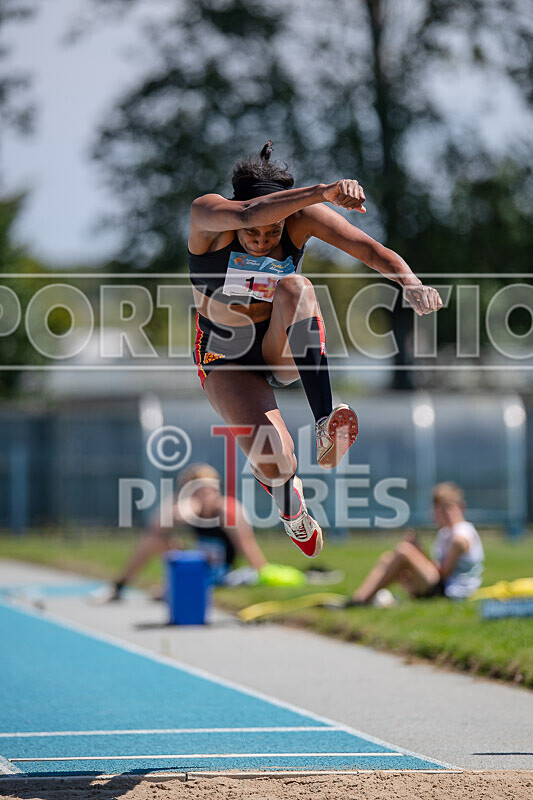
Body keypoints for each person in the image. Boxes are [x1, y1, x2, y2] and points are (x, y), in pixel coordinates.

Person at [189, 140, 442, 558]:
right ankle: (289, 504)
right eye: (252, 233)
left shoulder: (300, 218)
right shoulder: (209, 213)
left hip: (278, 344)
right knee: (277, 459)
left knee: (297, 287)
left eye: (274, 232)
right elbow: (250, 214)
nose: (262, 239)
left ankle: (325, 420)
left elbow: (370, 250)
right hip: (225, 357)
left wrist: (410, 283)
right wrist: (324, 190)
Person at [104, 463, 268, 601]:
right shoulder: (191, 509)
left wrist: (263, 572)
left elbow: (247, 546)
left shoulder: (227, 510)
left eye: (209, 489)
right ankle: (120, 586)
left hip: (221, 573)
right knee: (152, 540)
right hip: (196, 565)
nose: (206, 495)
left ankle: (173, 589)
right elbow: (155, 527)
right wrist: (179, 500)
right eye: (197, 490)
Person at [348, 482, 484, 605]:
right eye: (440, 509)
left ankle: (362, 601)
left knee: (404, 551)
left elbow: (443, 575)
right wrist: (418, 551)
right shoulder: (446, 533)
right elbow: (437, 568)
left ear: (461, 507)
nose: (444, 514)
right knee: (388, 558)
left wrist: (415, 554)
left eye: (448, 508)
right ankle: (359, 597)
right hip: (441, 586)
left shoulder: (460, 536)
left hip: (451, 592)